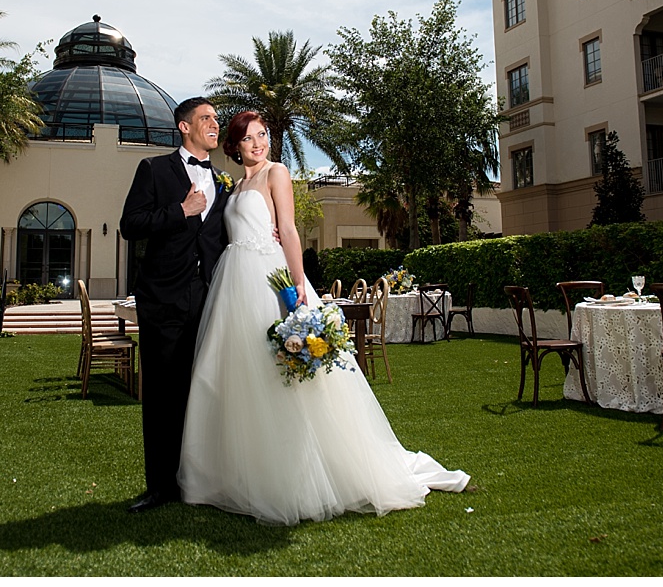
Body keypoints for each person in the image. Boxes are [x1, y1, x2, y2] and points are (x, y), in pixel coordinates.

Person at [177, 111, 470, 525]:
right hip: (233, 286)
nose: (258, 143)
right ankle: (234, 474)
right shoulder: (236, 185)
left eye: (263, 135)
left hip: (270, 281)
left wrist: (297, 287)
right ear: (235, 146)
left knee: (284, 376)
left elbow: (290, 230)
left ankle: (294, 476)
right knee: (237, 374)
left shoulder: (276, 173)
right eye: (248, 138)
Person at [119, 96, 230, 513]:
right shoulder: (153, 169)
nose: (213, 124)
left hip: (210, 299)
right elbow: (131, 224)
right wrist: (180, 211)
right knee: (164, 395)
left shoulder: (222, 180)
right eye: (205, 118)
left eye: (216, 119)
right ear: (184, 127)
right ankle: (160, 486)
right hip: (163, 299)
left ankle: (197, 481)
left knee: (204, 392)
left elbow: (221, 238)